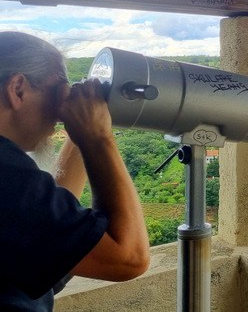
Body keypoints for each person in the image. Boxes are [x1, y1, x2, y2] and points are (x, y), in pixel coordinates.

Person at [0, 31, 149, 311]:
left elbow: (53, 226)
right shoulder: (6, 173)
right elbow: (128, 257)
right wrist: (98, 139)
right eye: (57, 91)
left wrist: (81, 131)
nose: (60, 110)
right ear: (17, 88)